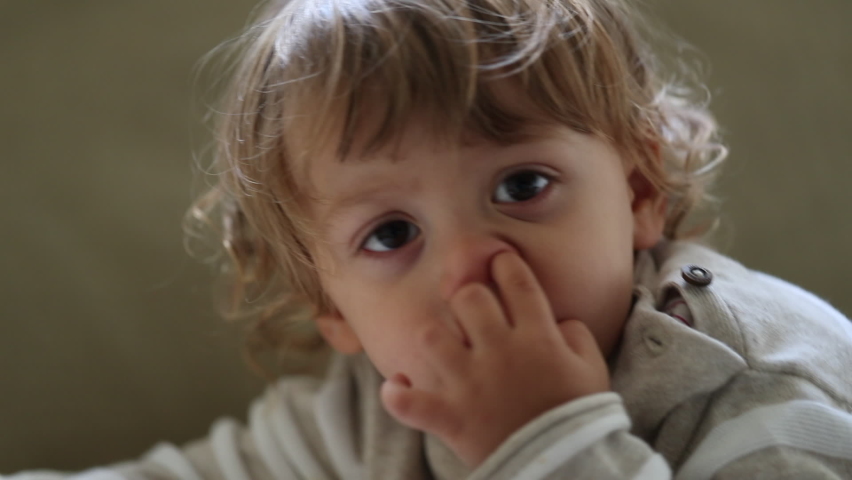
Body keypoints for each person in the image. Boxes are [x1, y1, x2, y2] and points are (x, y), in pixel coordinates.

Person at [10, 0, 852, 478]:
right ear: (329, 306)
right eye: (391, 234)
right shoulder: (369, 413)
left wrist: (548, 439)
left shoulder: (750, 384)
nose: (470, 265)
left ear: (639, 191)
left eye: (522, 187)